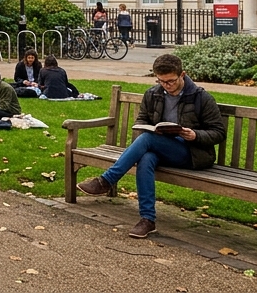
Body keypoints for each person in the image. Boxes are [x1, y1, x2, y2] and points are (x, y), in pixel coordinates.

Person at [77, 53, 227, 239]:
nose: (166, 86)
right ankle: (147, 220)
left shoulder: (201, 98)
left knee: (147, 140)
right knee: (146, 158)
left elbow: (219, 132)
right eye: (161, 81)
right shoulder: (153, 94)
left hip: (192, 153)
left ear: (182, 75)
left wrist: (195, 135)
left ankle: (106, 181)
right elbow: (142, 120)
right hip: (162, 147)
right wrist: (151, 129)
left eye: (171, 81)